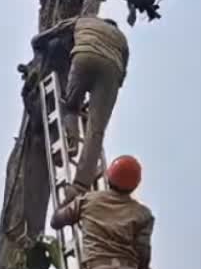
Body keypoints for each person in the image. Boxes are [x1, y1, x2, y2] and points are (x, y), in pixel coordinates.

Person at [31, 15, 128, 193]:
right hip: (112, 70)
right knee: (96, 130)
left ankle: (71, 142)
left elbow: (59, 27)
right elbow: (121, 78)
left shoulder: (85, 20)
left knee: (71, 106)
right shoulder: (121, 38)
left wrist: (38, 40)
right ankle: (80, 185)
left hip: (84, 56)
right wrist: (96, 102)